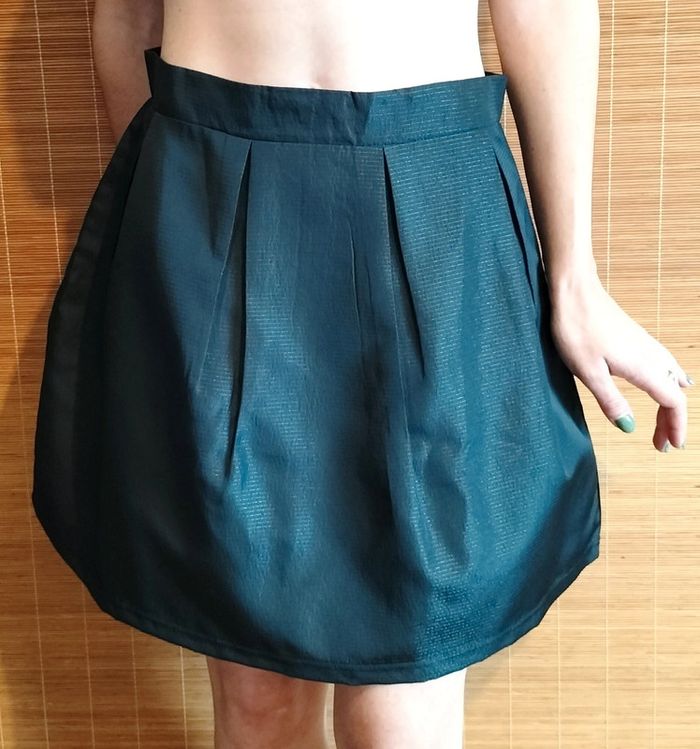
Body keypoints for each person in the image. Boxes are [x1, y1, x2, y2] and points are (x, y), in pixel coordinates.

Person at [34, 1, 691, 748]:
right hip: (206, 191)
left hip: (436, 210)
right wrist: (171, 231)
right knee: (258, 699)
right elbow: (128, 16)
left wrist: (576, 278)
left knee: (406, 707)